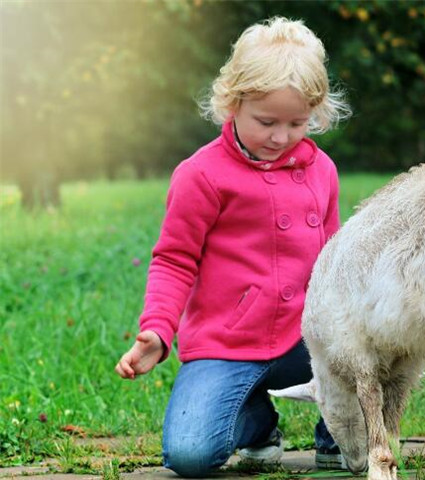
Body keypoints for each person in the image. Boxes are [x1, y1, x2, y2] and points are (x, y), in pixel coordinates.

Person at [114, 16, 350, 478]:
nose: (281, 137)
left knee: (365, 352)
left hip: (308, 339)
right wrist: (158, 330)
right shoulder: (201, 175)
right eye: (266, 122)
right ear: (233, 102)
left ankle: (337, 435)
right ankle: (255, 425)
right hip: (228, 343)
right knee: (189, 456)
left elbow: (336, 261)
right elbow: (174, 259)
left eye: (297, 123)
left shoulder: (322, 171)